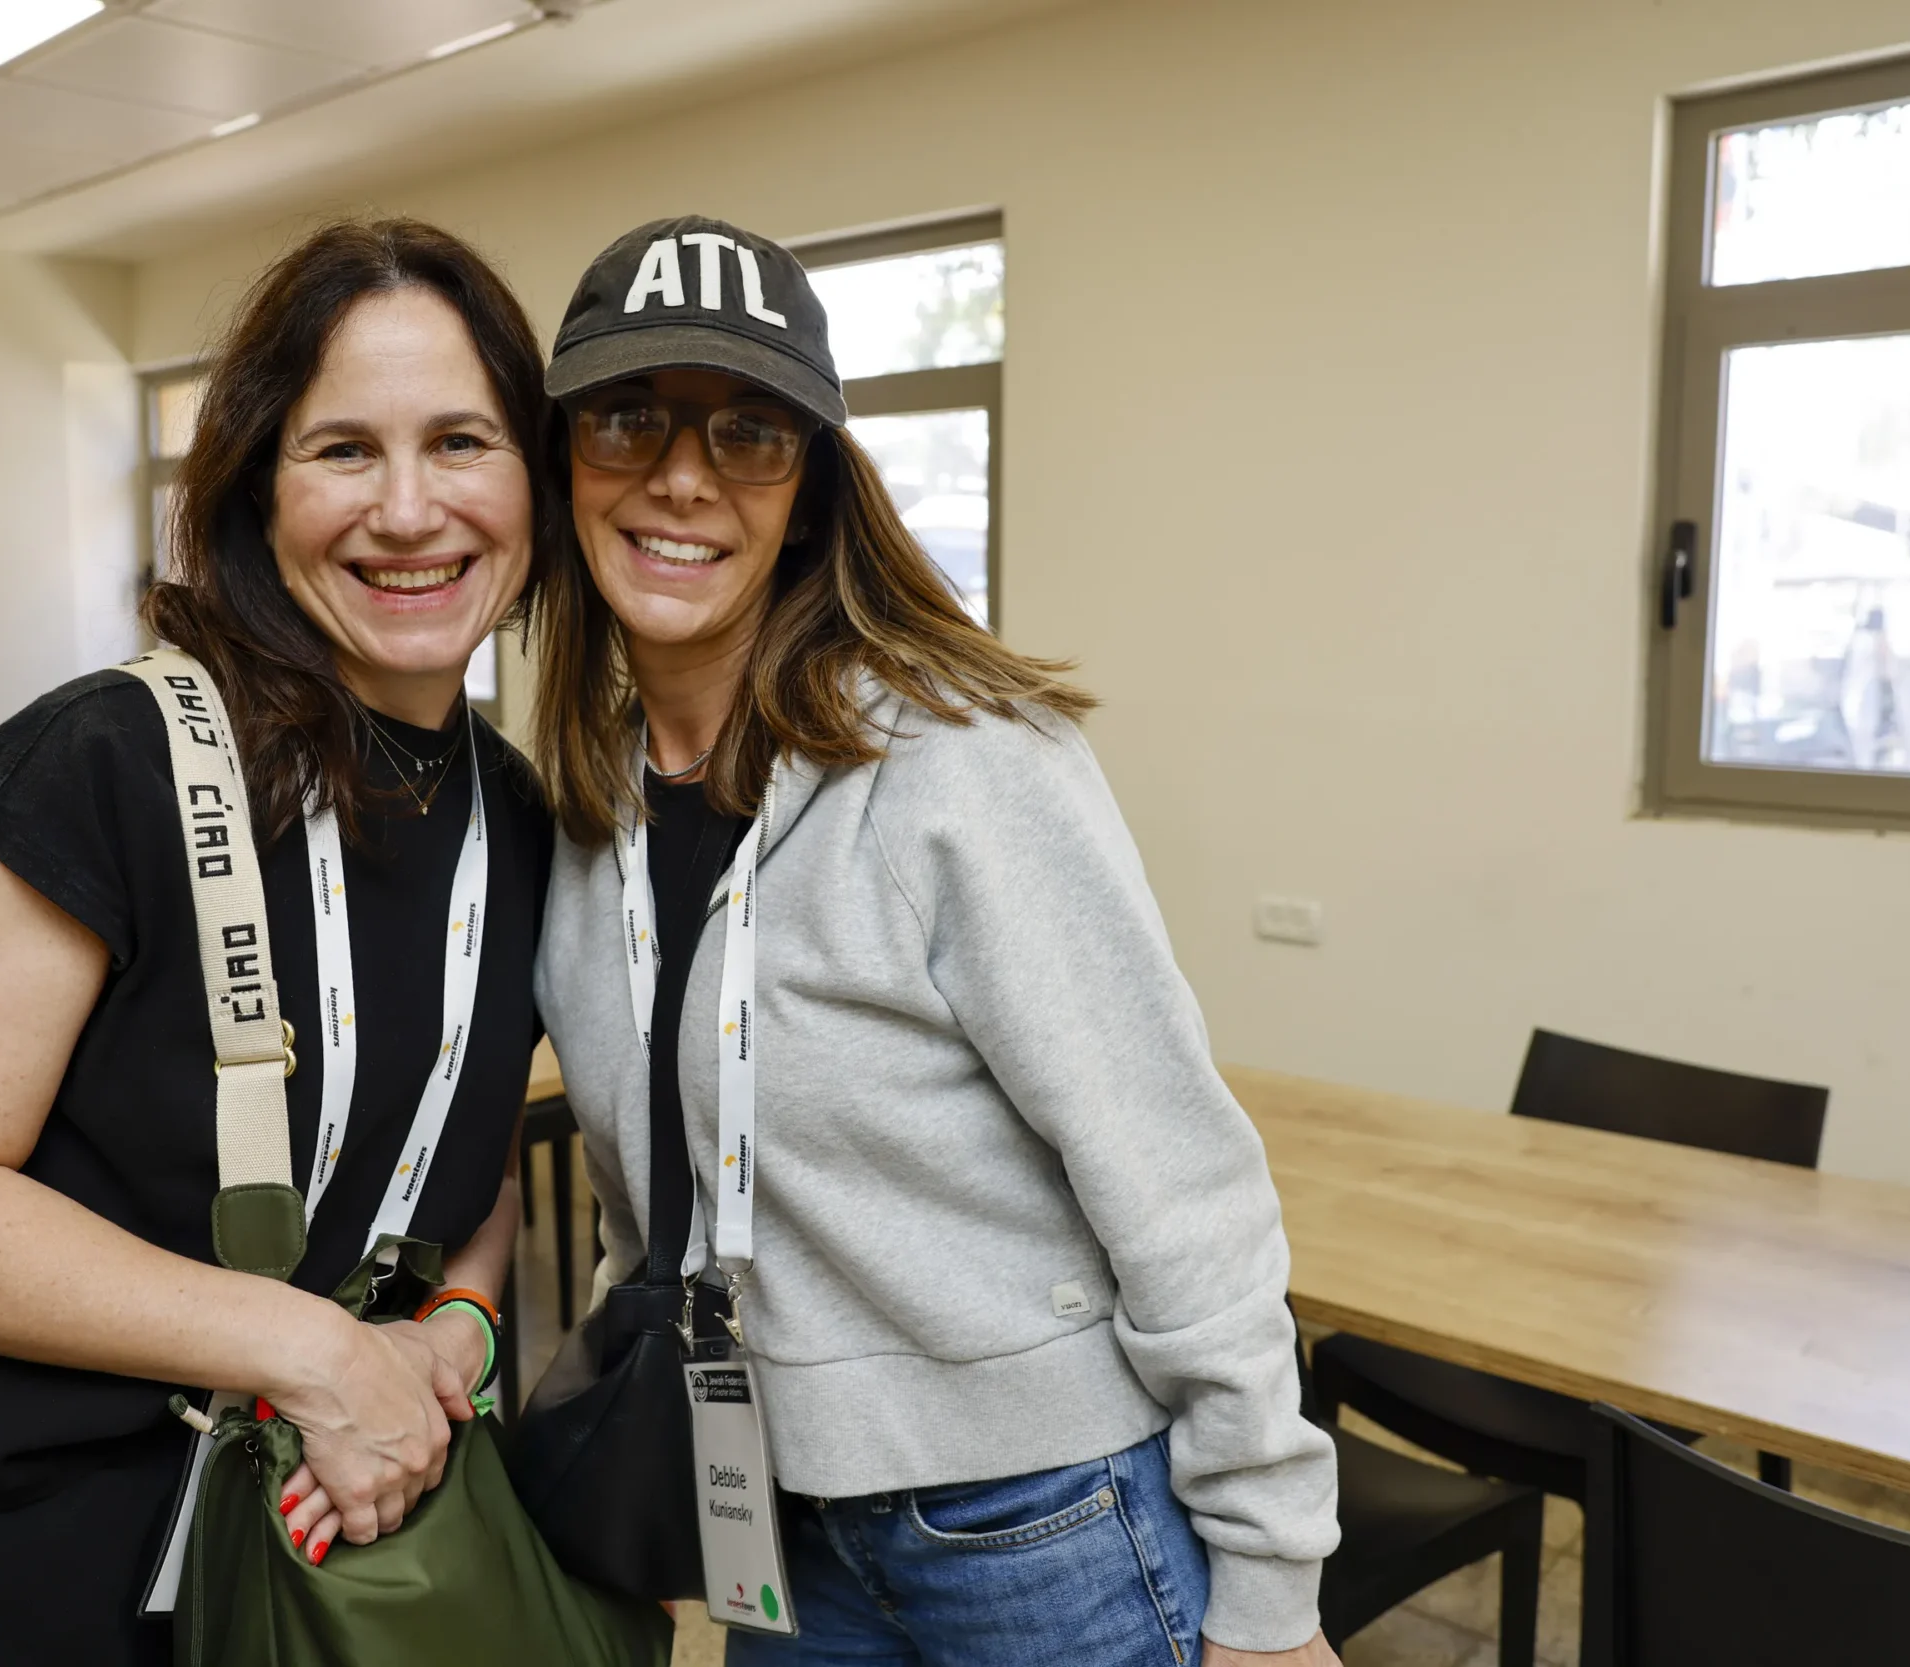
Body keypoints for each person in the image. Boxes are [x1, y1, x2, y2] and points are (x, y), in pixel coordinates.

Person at [0, 218, 557, 1665]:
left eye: (463, 442)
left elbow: (458, 1150)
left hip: (280, 1565)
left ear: (532, 480)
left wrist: (459, 1335)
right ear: (252, 485)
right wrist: (315, 1349)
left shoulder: (514, 811)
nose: (411, 508)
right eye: (343, 448)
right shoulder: (103, 762)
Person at [528, 216, 1343, 1666]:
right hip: (776, 1518)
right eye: (629, 418)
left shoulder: (958, 764)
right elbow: (652, 1193)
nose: (680, 477)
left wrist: (1274, 1590)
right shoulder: (585, 812)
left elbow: (1179, 1186)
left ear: (812, 491)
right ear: (563, 464)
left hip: (1043, 1522)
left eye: (750, 434)